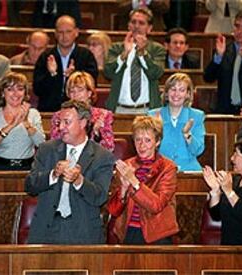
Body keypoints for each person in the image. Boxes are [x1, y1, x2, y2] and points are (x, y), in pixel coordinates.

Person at [25, 100, 115, 244]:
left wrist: (80, 181)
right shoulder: (47, 150)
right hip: (46, 231)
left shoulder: (102, 156)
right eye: (59, 123)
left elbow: (100, 197)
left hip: (83, 232)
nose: (61, 127)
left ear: (83, 123)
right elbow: (30, 186)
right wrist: (53, 175)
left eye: (66, 122)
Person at [107, 116, 179, 244]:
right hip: (128, 232)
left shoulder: (168, 168)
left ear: (157, 142)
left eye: (147, 140)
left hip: (157, 235)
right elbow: (114, 210)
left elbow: (156, 205)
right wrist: (123, 190)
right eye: (138, 140)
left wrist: (134, 182)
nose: (142, 145)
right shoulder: (126, 165)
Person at [104, 8, 165, 114]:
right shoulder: (116, 48)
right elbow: (108, 73)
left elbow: (156, 73)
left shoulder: (157, 49)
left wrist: (143, 53)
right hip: (120, 109)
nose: (136, 26)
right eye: (133, 22)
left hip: (147, 110)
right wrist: (124, 54)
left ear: (149, 28)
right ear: (128, 25)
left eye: (141, 23)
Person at [33, 15, 98, 112]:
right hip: (49, 110)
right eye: (60, 32)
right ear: (55, 34)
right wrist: (52, 74)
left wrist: (73, 76)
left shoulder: (86, 56)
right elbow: (37, 89)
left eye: (68, 31)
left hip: (79, 110)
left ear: (76, 32)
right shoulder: (46, 57)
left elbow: (91, 86)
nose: (64, 36)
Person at [0, 72, 45, 170]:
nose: (16, 94)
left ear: (25, 93)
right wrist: (11, 125)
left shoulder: (33, 114)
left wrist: (26, 123)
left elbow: (41, 144)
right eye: (10, 89)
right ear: (3, 93)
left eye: (20, 89)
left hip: (27, 168)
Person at [147, 73, 205, 171]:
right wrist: (158, 131)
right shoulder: (153, 115)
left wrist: (187, 135)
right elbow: (147, 150)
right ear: (166, 93)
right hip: (161, 171)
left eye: (181, 90)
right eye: (173, 89)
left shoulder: (196, 116)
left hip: (189, 170)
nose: (176, 94)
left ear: (188, 94)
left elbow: (198, 150)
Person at [50, 71, 115, 151]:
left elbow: (109, 148)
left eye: (80, 90)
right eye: (72, 91)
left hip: (93, 160)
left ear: (89, 93)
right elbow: (54, 145)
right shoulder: (59, 116)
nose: (76, 94)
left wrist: (97, 133)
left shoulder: (103, 115)